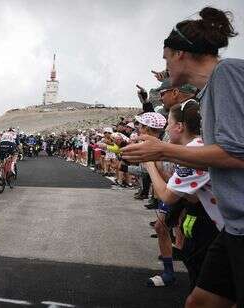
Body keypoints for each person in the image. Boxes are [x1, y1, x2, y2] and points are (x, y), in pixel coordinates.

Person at [122, 7, 243, 307]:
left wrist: (160, 150)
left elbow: (236, 153)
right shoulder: (208, 89)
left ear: (180, 54)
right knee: (199, 303)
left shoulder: (226, 74)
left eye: (166, 59)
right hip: (232, 226)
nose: (164, 69)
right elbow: (215, 157)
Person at [144, 101, 223, 290]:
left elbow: (167, 196)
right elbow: (190, 194)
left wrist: (149, 163)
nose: (166, 128)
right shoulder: (197, 146)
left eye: (169, 123)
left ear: (179, 126)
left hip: (219, 228)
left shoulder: (193, 152)